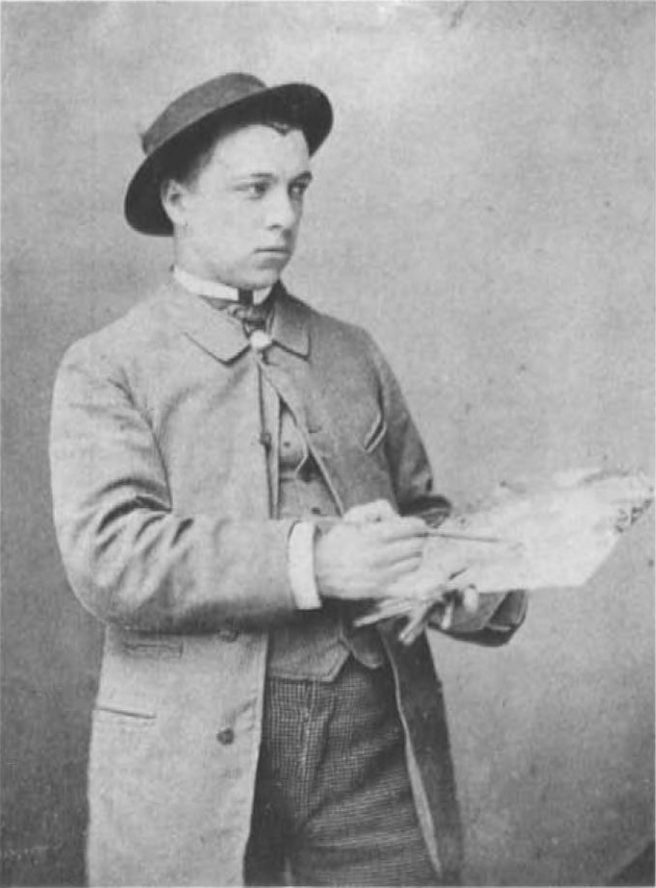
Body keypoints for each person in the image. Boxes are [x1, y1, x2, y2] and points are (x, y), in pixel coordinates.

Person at [49, 73, 527, 887]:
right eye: (255, 189)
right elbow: (111, 557)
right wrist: (317, 559)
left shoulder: (351, 352)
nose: (283, 216)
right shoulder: (108, 366)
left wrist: (467, 570)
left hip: (371, 751)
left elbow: (424, 512)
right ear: (177, 200)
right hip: (191, 760)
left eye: (297, 189)